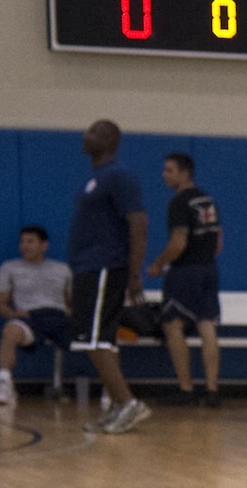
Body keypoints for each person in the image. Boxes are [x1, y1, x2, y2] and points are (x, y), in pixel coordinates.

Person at [68, 119, 151, 434]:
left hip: (105, 266)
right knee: (97, 339)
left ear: (110, 141)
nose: (85, 134)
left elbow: (139, 223)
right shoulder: (95, 178)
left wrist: (134, 272)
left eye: (95, 131)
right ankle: (118, 404)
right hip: (88, 267)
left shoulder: (119, 176)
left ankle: (129, 403)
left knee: (95, 340)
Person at [147, 151, 223, 408]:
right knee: (207, 325)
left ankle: (186, 388)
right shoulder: (208, 201)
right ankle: (212, 390)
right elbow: (218, 241)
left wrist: (159, 263)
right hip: (209, 269)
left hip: (185, 271)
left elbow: (178, 242)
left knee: (172, 325)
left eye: (169, 170)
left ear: (184, 173)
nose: (164, 175)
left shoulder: (178, 203)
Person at [0, 226, 71, 406]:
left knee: (93, 338)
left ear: (44, 245)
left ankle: (110, 392)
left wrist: (71, 315)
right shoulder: (9, 268)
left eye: (30, 242)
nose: (25, 246)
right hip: (29, 317)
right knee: (10, 330)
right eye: (22, 242)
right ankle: (4, 384)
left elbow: (72, 303)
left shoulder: (63, 269)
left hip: (57, 316)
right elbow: (1, 304)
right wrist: (13, 314)